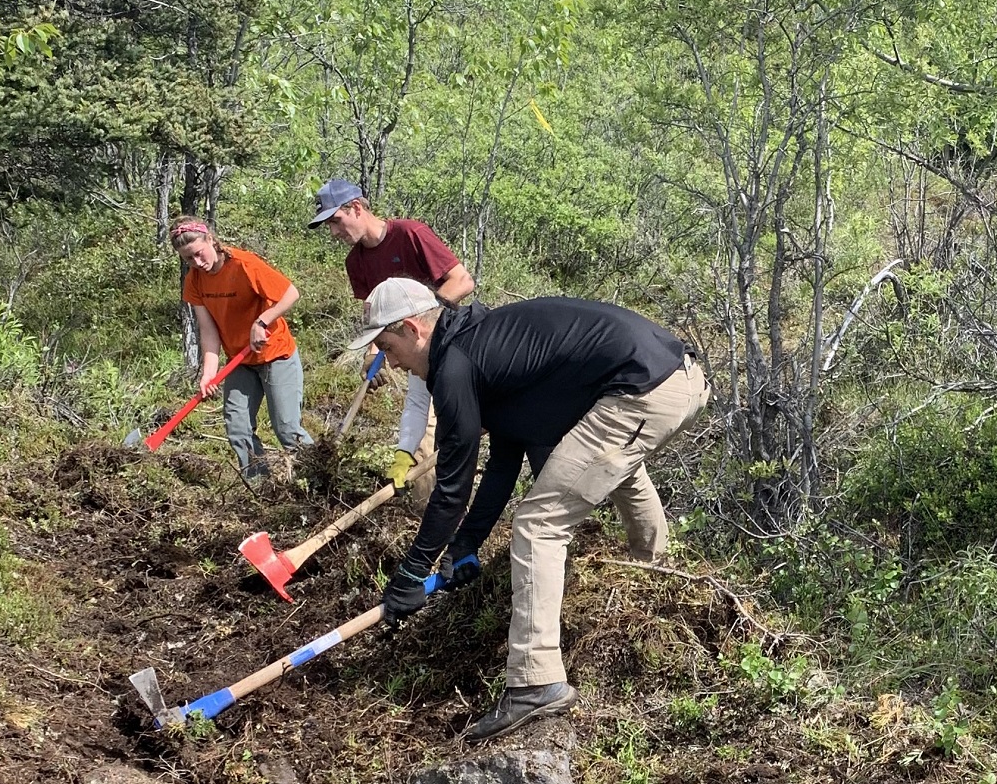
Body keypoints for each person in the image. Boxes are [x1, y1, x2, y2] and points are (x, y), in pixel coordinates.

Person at [346, 278, 709, 743]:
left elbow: (452, 487)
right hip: (674, 377)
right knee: (616, 464)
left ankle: (536, 681)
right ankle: (652, 571)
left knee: (538, 524)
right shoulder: (478, 342)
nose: (388, 361)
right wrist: (466, 544)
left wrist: (412, 573)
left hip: (644, 389)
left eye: (386, 345)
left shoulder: (455, 366)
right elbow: (506, 455)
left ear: (414, 328)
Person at [308, 177, 475, 498]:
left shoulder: (410, 234)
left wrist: (419, 320)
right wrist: (374, 351)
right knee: (420, 416)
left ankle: (436, 512)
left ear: (356, 208)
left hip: (448, 344)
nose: (334, 232)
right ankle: (430, 505)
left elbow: (462, 281)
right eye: (328, 225)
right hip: (411, 349)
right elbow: (375, 319)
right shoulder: (355, 262)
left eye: (336, 221)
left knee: (434, 427)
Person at [170, 215, 313, 483]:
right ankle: (260, 488)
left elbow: (290, 293)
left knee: (286, 429)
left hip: (275, 355)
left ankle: (316, 478)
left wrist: (262, 322)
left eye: (199, 254)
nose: (197, 263)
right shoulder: (195, 280)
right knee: (238, 428)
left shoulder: (244, 264)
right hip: (240, 359)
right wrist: (208, 374)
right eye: (189, 259)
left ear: (210, 239)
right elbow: (209, 331)